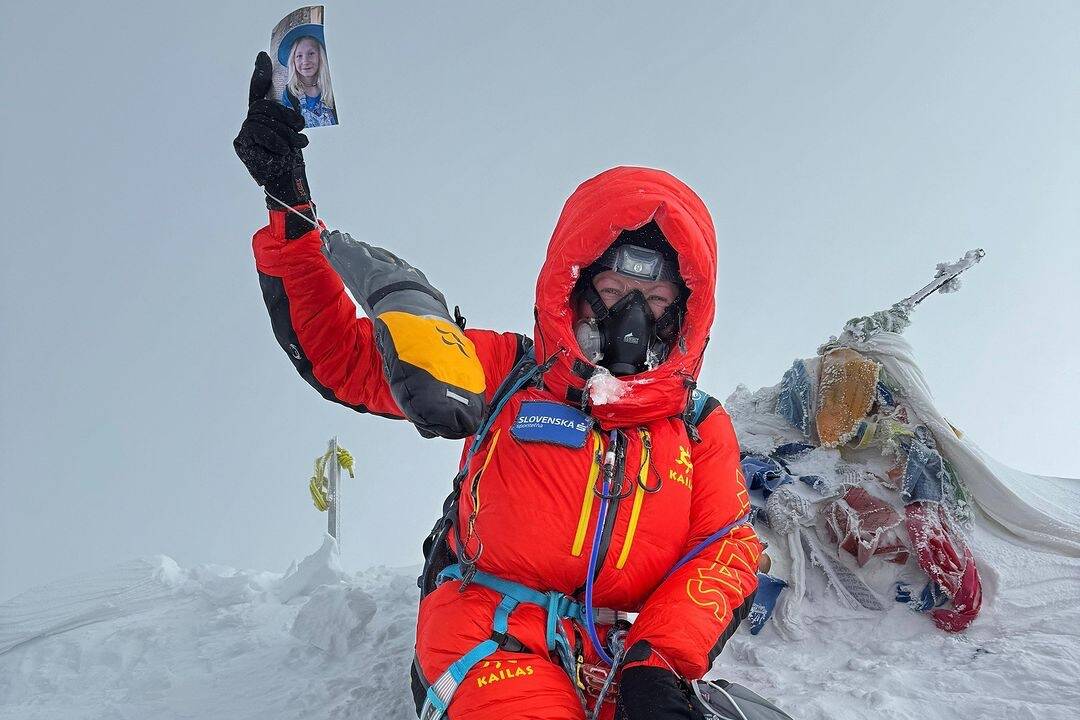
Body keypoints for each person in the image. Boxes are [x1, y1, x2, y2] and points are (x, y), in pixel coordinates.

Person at [235, 53, 761, 720]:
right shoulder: (506, 369)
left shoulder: (695, 426)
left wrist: (658, 661)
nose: (632, 316)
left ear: (686, 308)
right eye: (613, 288)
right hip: (485, 636)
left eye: (654, 296)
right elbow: (339, 355)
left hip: (614, 657)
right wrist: (290, 207)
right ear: (575, 284)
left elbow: (726, 550)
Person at [278, 26, 336, 127]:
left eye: (311, 53)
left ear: (320, 57)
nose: (305, 61)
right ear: (293, 61)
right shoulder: (290, 93)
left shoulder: (332, 87)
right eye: (299, 56)